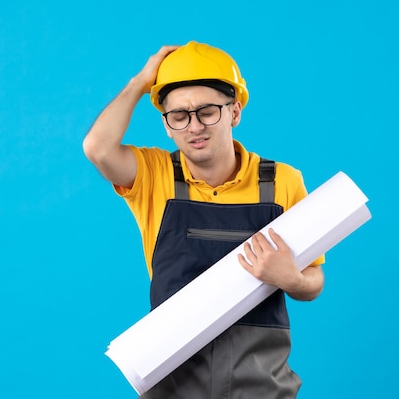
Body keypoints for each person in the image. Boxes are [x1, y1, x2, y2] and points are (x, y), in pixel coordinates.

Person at [83, 41, 325, 399]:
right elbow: (97, 149)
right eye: (179, 116)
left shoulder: (282, 182)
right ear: (166, 125)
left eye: (207, 111)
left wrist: (289, 278)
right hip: (172, 380)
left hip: (261, 383)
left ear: (235, 112)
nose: (194, 126)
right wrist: (139, 82)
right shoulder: (154, 175)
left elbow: (314, 281)